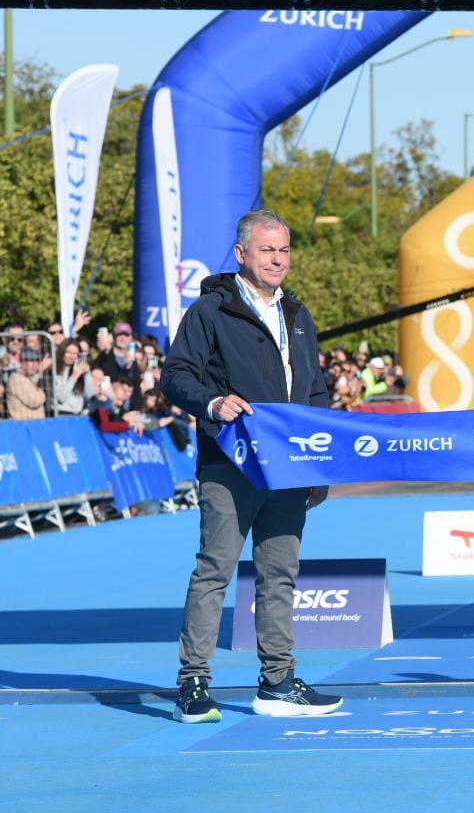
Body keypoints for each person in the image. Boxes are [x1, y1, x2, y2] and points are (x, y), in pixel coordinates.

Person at [161, 209, 341, 724]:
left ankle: (278, 681)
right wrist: (214, 403)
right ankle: (193, 683)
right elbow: (176, 376)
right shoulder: (210, 311)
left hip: (289, 468)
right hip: (230, 463)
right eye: (267, 250)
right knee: (215, 570)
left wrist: (318, 462)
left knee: (279, 573)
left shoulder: (298, 314)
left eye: (284, 250)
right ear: (242, 254)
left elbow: (314, 393)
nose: (278, 259)